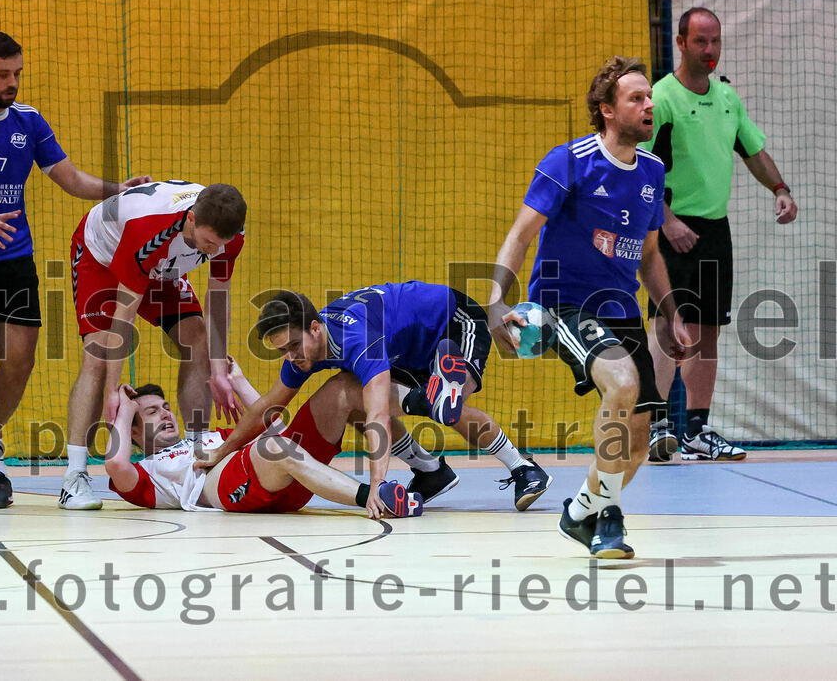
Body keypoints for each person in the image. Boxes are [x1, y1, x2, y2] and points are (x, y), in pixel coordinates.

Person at [0, 30, 151, 509]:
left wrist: (119, 188)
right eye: (3, 74)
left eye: (18, 73)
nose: (12, 83)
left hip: (14, 258)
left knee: (21, 363)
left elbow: (68, 178)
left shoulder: (28, 121)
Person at [488, 56, 689, 558]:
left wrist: (670, 313)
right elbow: (520, 234)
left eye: (650, 97)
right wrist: (496, 303)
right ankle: (611, 516)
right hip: (565, 303)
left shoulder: (653, 171)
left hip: (623, 310)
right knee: (621, 384)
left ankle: (581, 512)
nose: (649, 105)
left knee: (639, 441)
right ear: (606, 110)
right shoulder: (570, 161)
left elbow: (646, 255)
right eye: (636, 98)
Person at [193, 282, 551, 516]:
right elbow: (267, 407)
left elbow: (379, 413)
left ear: (315, 328)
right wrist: (220, 453)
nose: (290, 356)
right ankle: (430, 470)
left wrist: (378, 483)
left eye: (293, 345)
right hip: (406, 347)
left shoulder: (357, 339)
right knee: (365, 397)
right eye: (283, 350)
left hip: (451, 319)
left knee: (447, 407)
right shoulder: (307, 350)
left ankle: (523, 467)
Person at [642, 7, 798, 463]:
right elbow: (640, 170)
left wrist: (781, 189)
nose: (710, 51)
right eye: (700, 42)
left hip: (715, 230)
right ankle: (654, 428)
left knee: (707, 331)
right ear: (681, 42)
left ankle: (695, 431)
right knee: (671, 327)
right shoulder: (661, 98)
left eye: (716, 42)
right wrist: (667, 221)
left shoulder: (728, 98)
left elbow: (753, 150)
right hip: (670, 230)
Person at [59, 180, 247, 510]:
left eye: (220, 245)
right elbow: (125, 313)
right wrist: (114, 389)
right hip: (101, 255)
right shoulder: (149, 228)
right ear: (191, 219)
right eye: (207, 243)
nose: (213, 251)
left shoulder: (228, 236)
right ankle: (74, 477)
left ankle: (197, 450)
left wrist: (219, 370)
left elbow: (218, 295)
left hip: (163, 265)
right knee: (99, 356)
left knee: (199, 340)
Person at [104, 361, 423, 518]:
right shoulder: (146, 472)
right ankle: (376, 498)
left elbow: (280, 429)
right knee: (276, 448)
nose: (164, 414)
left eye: (166, 408)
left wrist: (239, 382)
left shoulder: (210, 439)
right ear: (132, 431)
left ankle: (425, 406)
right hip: (233, 493)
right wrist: (125, 407)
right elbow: (116, 463)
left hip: (285, 478)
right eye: (150, 412)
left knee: (342, 387)